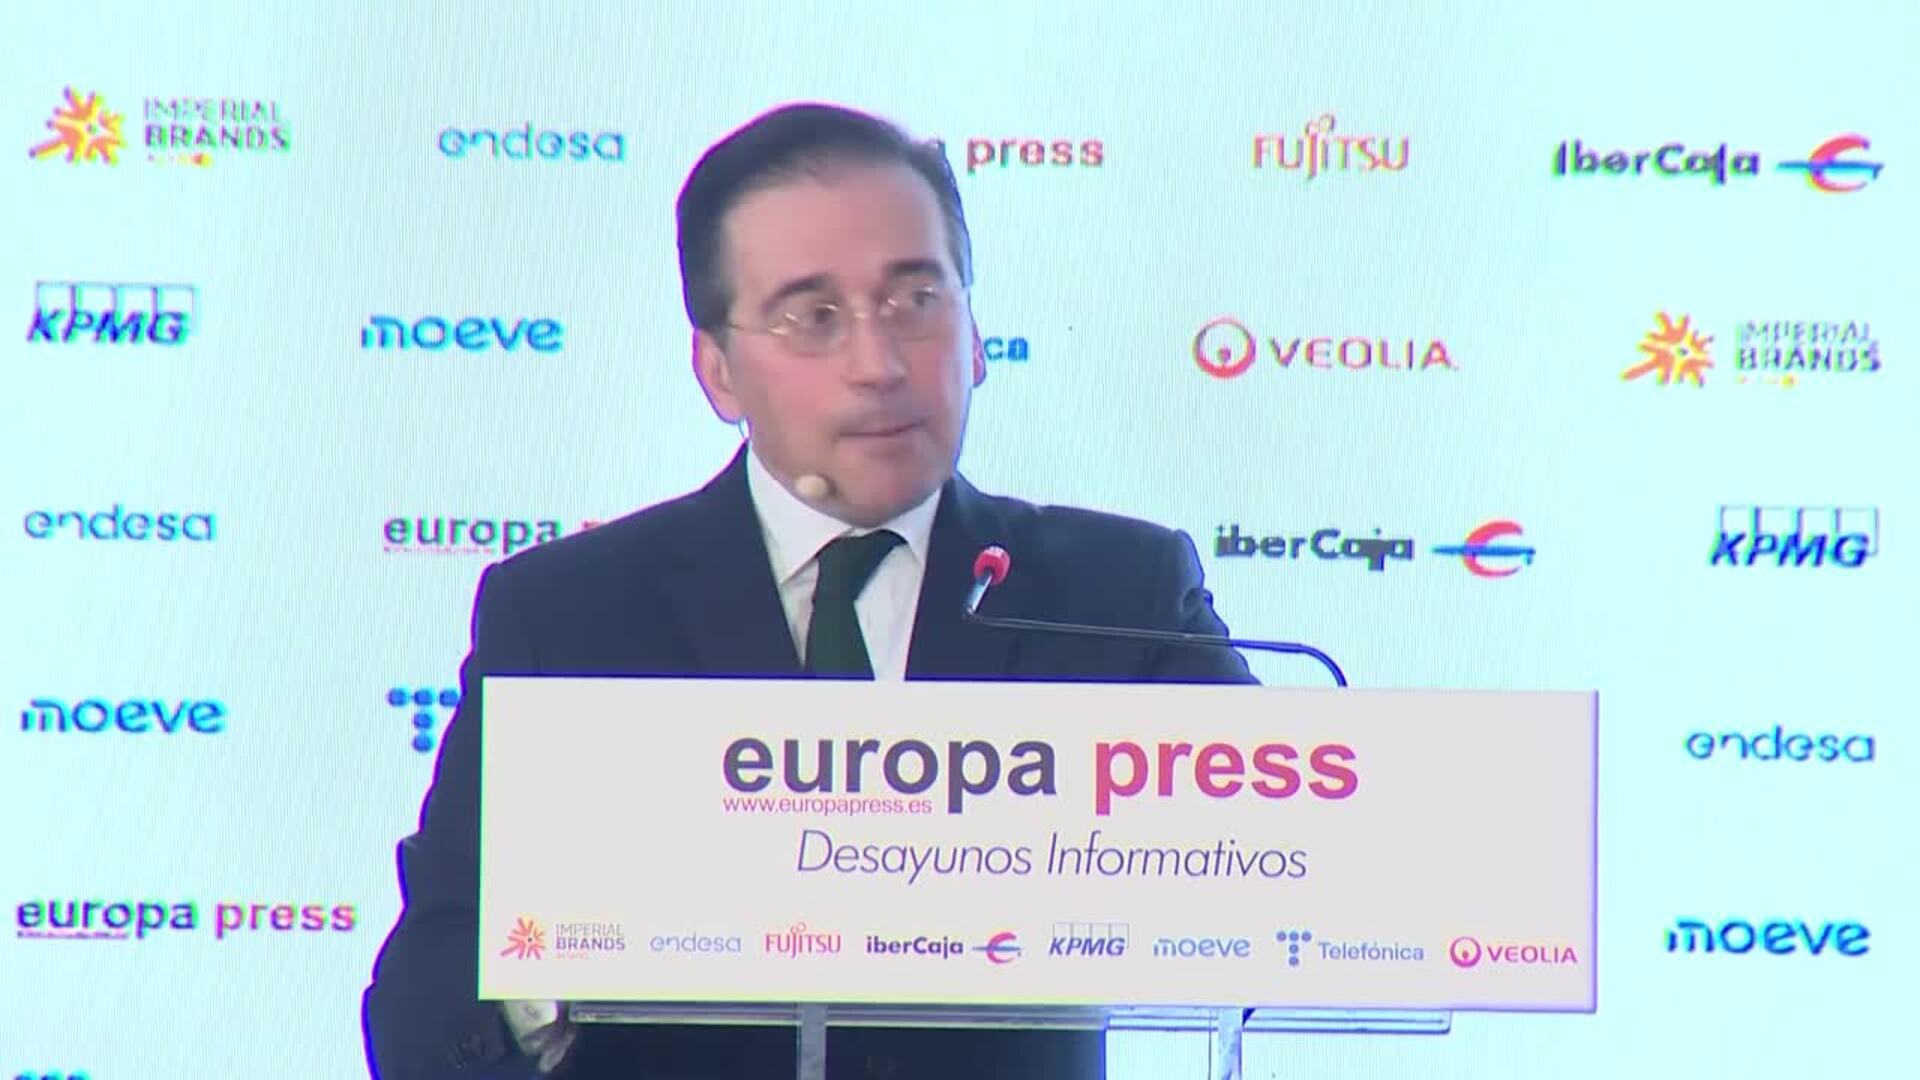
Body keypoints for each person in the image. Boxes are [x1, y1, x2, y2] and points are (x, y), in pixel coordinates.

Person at [361, 102, 1258, 1080]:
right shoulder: (569, 616)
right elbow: (423, 1008)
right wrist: (577, 948)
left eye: (916, 299)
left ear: (975, 333)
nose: (878, 364)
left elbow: (1286, 884)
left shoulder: (1117, 596)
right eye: (813, 317)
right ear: (718, 371)